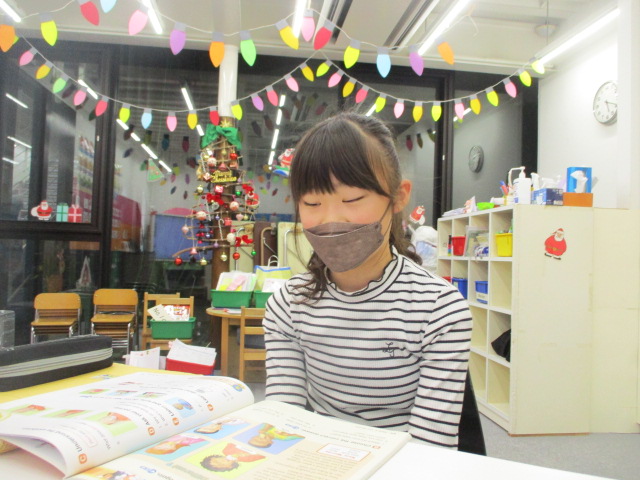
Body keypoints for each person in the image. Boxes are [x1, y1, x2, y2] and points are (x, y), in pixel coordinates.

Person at [263, 112, 472, 449]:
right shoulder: (288, 304)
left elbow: (430, 447)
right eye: (312, 203)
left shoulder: (439, 309)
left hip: (401, 462)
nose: (332, 219)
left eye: (352, 199)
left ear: (399, 196)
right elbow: (282, 418)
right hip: (315, 458)